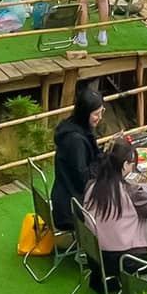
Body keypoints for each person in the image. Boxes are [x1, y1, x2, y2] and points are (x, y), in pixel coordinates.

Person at [80, 137, 147, 290]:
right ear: (125, 165)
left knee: (139, 212)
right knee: (145, 214)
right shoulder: (132, 192)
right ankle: (142, 272)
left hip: (95, 253)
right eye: (132, 164)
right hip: (125, 259)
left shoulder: (91, 185)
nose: (132, 168)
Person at [51, 79, 105, 232]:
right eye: (96, 114)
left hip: (64, 197)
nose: (100, 117)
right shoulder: (76, 141)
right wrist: (102, 159)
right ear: (85, 113)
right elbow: (83, 180)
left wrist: (103, 152)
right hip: (71, 209)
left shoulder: (72, 126)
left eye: (102, 112)